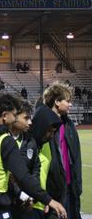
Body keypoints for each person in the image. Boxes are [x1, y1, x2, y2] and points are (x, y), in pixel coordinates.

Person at [0, 93, 67, 219]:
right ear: (5, 116)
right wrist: (49, 200)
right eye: (15, 115)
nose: (16, 118)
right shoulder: (6, 141)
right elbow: (23, 176)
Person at [43, 82, 82, 219]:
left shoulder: (69, 125)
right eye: (68, 101)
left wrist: (77, 185)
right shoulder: (43, 125)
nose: (71, 104)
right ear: (57, 102)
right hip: (51, 191)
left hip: (70, 187)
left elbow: (76, 157)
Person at [28, 104, 63, 219]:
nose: (51, 136)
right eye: (48, 131)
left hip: (43, 204)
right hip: (27, 205)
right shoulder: (25, 145)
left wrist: (47, 199)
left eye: (53, 132)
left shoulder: (47, 145)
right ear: (40, 127)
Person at [7, 99, 38, 219]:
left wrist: (33, 195)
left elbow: (35, 169)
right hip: (5, 202)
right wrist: (21, 194)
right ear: (14, 116)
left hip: (26, 203)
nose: (30, 122)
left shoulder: (30, 141)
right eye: (26, 118)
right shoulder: (1, 140)